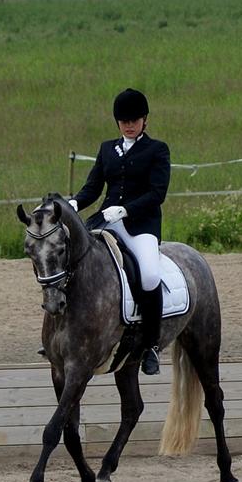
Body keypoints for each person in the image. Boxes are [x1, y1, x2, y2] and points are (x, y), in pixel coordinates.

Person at [70, 88, 171, 375]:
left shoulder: (157, 150)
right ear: (117, 122)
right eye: (124, 120)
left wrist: (126, 210)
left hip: (141, 226)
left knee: (150, 275)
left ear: (144, 120)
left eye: (134, 120)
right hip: (105, 221)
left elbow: (157, 193)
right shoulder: (106, 149)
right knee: (77, 262)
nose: (129, 125)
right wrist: (73, 204)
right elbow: (93, 188)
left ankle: (151, 344)